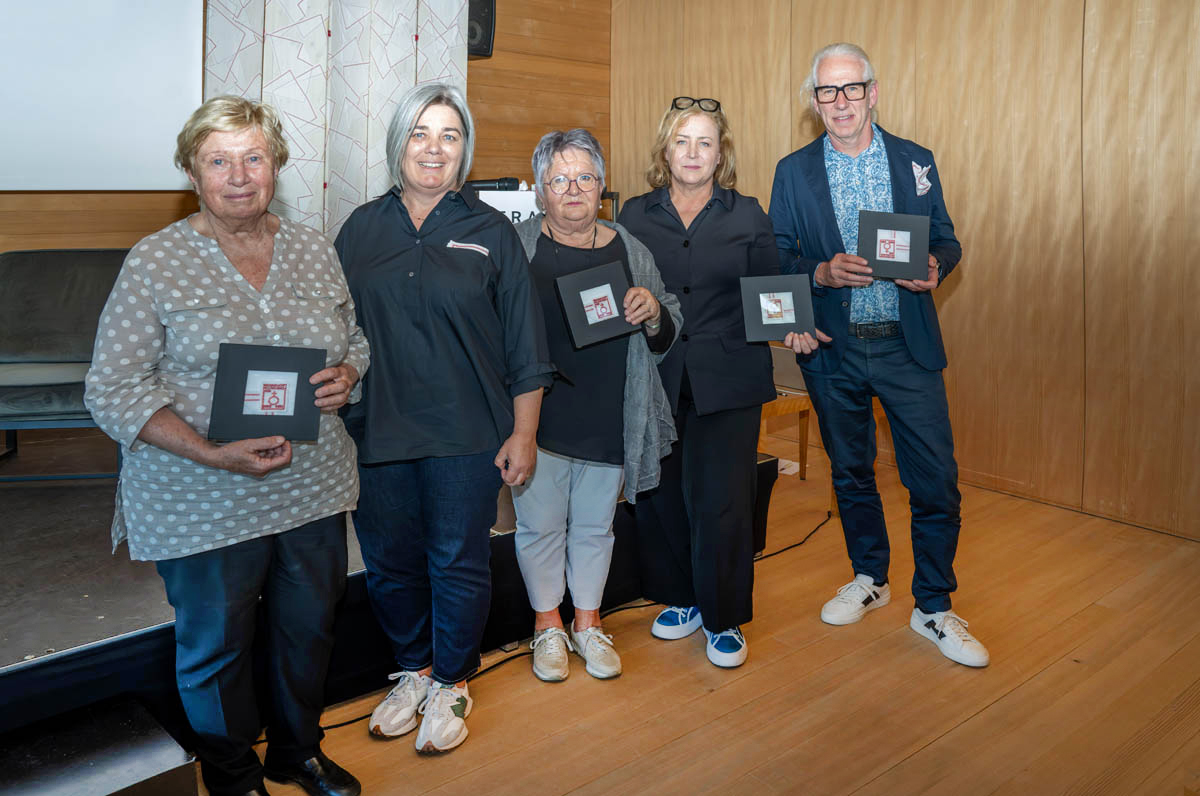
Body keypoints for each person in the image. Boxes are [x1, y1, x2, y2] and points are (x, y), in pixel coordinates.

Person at [84, 96, 369, 796]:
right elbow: (112, 387)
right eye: (219, 160)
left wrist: (348, 375)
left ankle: (297, 750)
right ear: (191, 171)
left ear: (275, 165)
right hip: (201, 497)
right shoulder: (155, 261)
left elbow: (353, 339)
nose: (239, 175)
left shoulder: (313, 248)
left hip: (311, 489)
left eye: (254, 157)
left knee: (309, 633)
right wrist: (212, 453)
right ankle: (232, 772)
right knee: (215, 649)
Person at [334, 82, 554, 753]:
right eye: (422, 134)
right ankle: (415, 668)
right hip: (377, 429)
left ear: (465, 151)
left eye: (449, 135)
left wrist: (523, 432)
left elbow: (525, 344)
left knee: (457, 562)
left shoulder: (492, 231)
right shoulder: (360, 228)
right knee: (391, 564)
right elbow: (333, 326)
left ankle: (453, 680)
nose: (434, 148)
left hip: (467, 433)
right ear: (399, 143)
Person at [768, 43, 989, 667]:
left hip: (906, 348)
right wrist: (820, 271)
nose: (840, 103)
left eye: (851, 89)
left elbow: (946, 237)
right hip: (834, 352)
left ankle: (935, 605)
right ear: (814, 102)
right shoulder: (793, 171)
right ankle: (870, 577)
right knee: (851, 474)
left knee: (936, 480)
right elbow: (777, 256)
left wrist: (935, 265)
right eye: (826, 92)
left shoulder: (916, 161)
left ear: (873, 92)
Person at [618, 98, 823, 668]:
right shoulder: (634, 215)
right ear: (665, 149)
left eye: (704, 143)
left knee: (723, 500)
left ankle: (724, 616)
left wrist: (793, 330)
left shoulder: (747, 214)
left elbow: (770, 288)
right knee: (663, 496)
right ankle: (682, 598)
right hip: (657, 374)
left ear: (720, 154)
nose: (692, 153)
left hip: (728, 377)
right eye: (682, 141)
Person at [510, 129, 682, 683]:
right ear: (540, 192)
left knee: (595, 528)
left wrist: (653, 309)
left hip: (613, 413)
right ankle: (547, 626)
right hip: (541, 418)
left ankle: (587, 623)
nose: (573, 189)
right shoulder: (515, 246)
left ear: (602, 186)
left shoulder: (629, 247)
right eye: (558, 180)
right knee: (538, 527)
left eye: (584, 177)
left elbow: (668, 320)